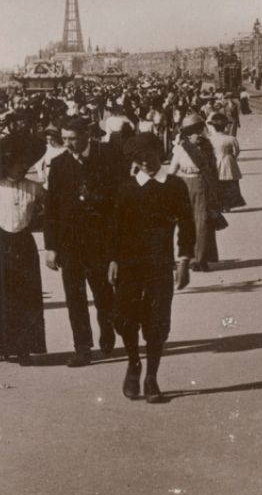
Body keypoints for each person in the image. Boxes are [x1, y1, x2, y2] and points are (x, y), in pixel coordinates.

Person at [108, 134, 195, 403]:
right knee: (124, 318)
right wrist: (113, 259)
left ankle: (152, 377)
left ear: (161, 155)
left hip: (160, 262)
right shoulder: (126, 187)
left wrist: (183, 262)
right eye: (139, 158)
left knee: (157, 321)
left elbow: (187, 225)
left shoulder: (174, 186)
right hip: (128, 263)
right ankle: (134, 363)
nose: (144, 162)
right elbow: (115, 226)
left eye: (149, 156)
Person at [44, 116, 120, 366]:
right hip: (69, 245)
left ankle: (107, 330)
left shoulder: (107, 156)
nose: (67, 143)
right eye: (63, 139)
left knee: (103, 295)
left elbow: (119, 202)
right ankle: (83, 348)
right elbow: (52, 208)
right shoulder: (58, 164)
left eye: (72, 138)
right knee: (74, 297)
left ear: (86, 135)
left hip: (100, 242)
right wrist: (51, 247)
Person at [0, 133, 48, 365]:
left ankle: (24, 348)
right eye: (19, 164)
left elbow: (49, 209)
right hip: (1, 243)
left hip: (24, 244)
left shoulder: (34, 188)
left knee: (26, 296)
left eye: (25, 164)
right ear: (7, 163)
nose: (23, 167)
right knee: (3, 296)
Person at [168, 114, 222, 272]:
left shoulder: (207, 147)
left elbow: (213, 169)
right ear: (187, 134)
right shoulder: (180, 149)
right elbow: (172, 171)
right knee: (187, 224)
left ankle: (201, 259)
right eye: (194, 132)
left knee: (203, 223)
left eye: (200, 131)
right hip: (184, 186)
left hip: (202, 186)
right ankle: (190, 257)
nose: (198, 135)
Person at [207, 113, 246, 212]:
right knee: (230, 183)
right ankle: (227, 205)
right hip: (228, 161)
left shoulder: (209, 139)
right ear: (225, 126)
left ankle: (218, 204)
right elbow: (236, 151)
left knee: (217, 183)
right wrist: (231, 157)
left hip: (215, 161)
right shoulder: (231, 139)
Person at [34, 124, 67, 189]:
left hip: (63, 173)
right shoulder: (45, 148)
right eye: (47, 139)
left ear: (57, 138)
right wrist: (41, 175)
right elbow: (38, 163)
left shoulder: (64, 149)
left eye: (52, 139)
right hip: (49, 173)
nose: (49, 142)